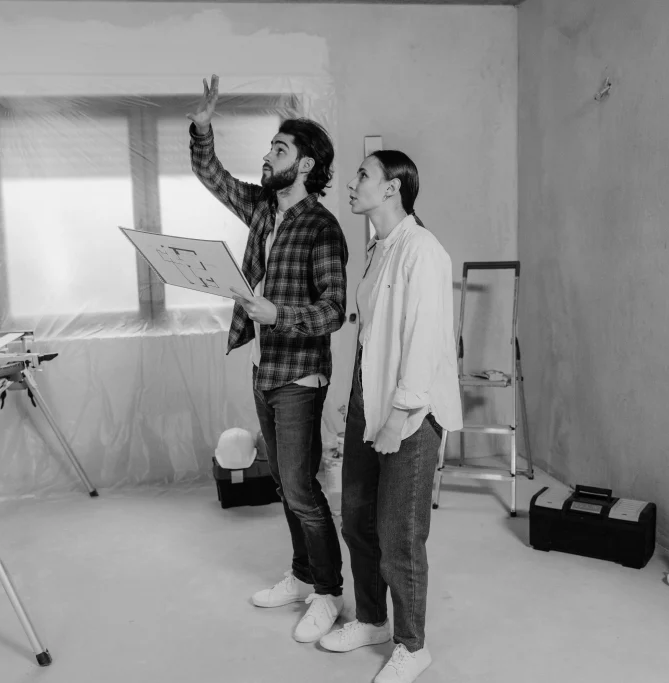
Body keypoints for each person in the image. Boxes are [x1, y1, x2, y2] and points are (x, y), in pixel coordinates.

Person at [186, 75, 350, 643]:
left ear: (304, 165)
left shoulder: (322, 228)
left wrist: (278, 314)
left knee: (302, 488)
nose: (267, 156)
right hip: (265, 370)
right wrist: (202, 127)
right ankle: (303, 576)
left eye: (279, 149)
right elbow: (212, 176)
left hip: (300, 376)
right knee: (285, 482)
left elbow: (334, 311)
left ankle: (328, 591)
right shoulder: (262, 209)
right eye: (269, 147)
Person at [318, 150, 462, 683]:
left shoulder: (423, 251)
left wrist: (398, 418)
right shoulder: (379, 248)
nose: (352, 182)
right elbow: (372, 336)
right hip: (369, 404)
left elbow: (423, 342)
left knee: (399, 534)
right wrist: (356, 399)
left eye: (364, 175)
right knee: (357, 519)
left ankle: (412, 645)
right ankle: (373, 619)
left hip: (411, 414)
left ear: (392, 188)